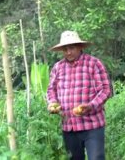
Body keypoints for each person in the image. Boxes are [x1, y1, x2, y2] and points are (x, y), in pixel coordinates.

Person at [47, 30, 112, 160]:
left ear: (80, 47)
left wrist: (91, 106)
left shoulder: (93, 64)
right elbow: (51, 90)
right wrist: (53, 103)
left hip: (92, 125)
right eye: (65, 49)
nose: (68, 52)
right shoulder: (58, 67)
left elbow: (105, 90)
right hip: (69, 126)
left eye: (72, 48)